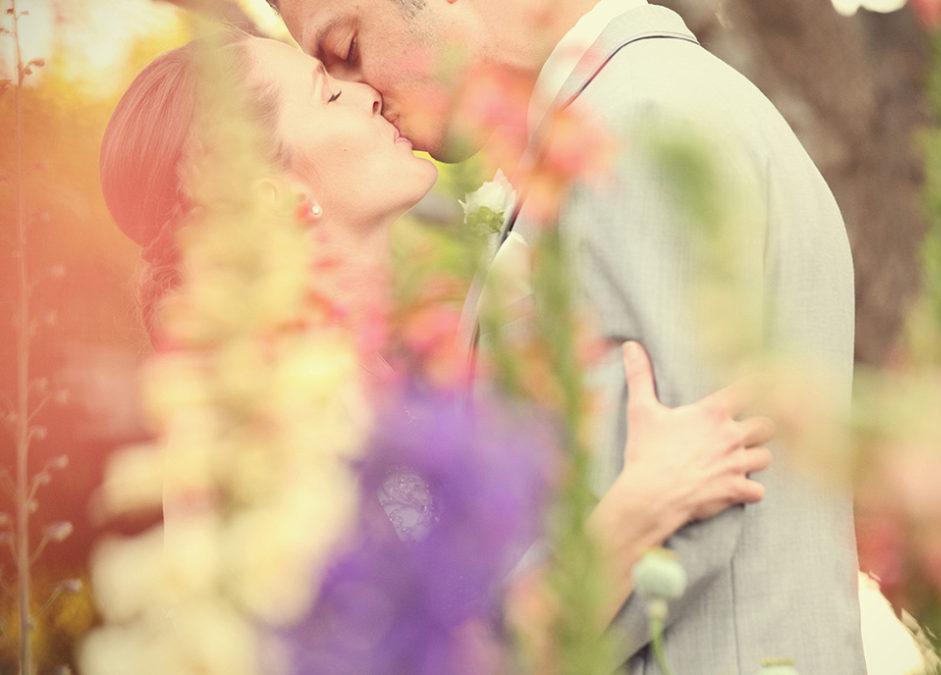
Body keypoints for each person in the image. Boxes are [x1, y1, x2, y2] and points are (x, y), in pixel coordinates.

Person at [99, 33, 775, 649]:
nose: (367, 94)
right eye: (329, 92)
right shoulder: (277, 418)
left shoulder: (357, 369)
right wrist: (645, 506)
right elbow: (462, 655)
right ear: (272, 192)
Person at [269, 0, 866, 672]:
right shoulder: (627, 117)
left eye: (347, 45)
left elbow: (693, 514)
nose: (358, 90)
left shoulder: (639, 125)